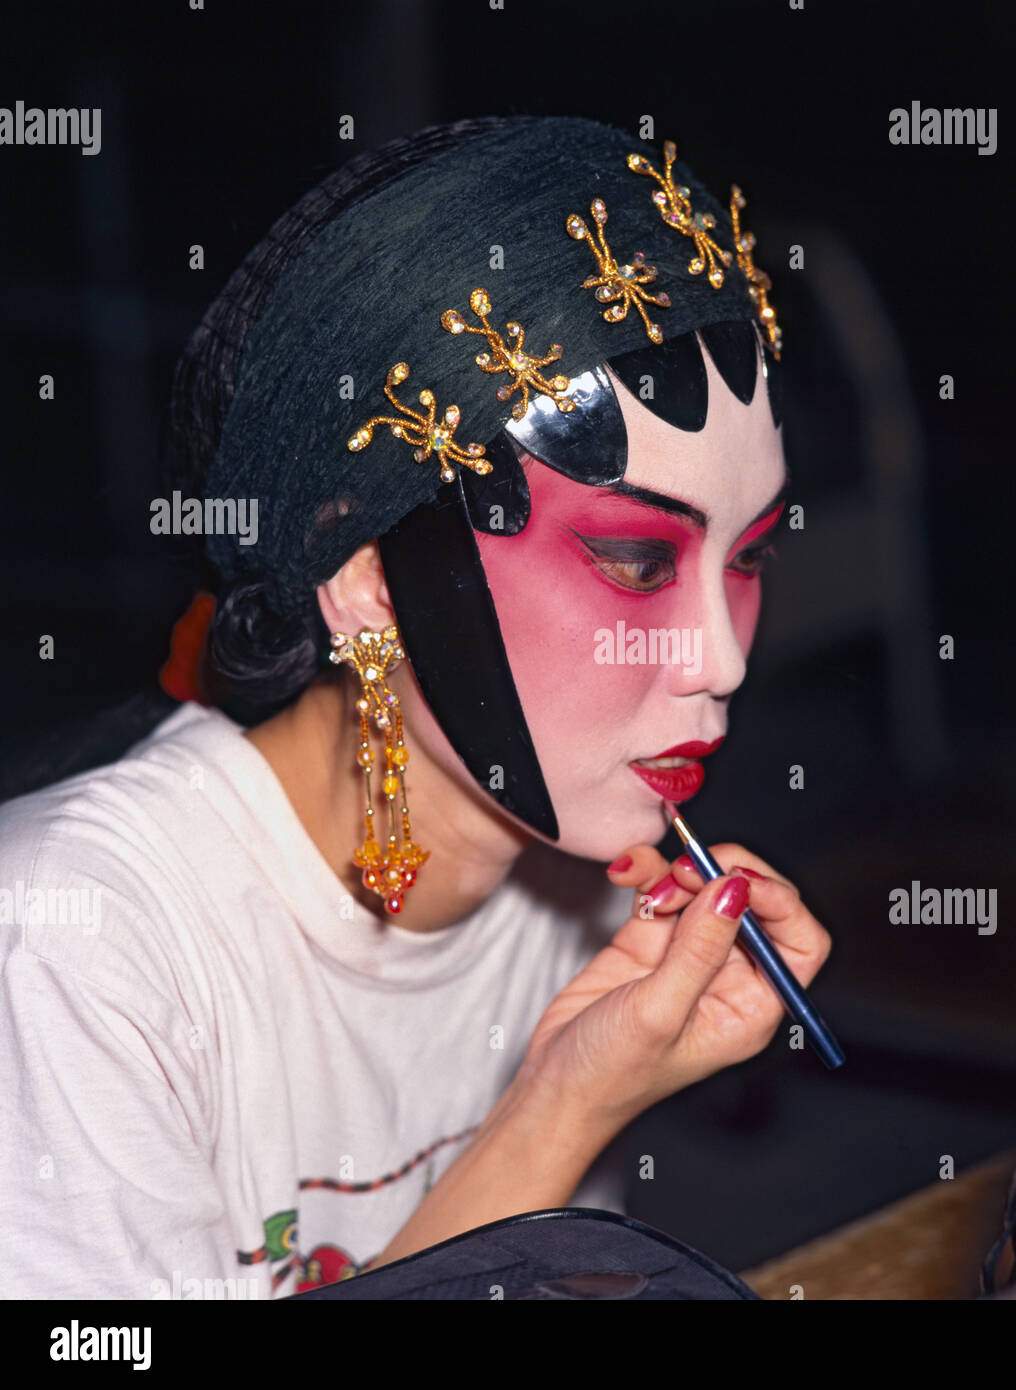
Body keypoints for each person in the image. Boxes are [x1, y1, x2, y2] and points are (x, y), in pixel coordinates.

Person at [0, 113, 831, 1298]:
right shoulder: (67, 950)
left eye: (744, 557)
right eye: (638, 564)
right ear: (370, 579)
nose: (722, 658)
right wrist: (562, 1102)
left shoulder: (578, 900)